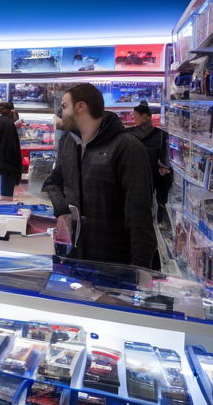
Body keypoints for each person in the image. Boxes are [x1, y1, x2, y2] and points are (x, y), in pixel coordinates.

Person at [42, 84, 156, 268]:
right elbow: (52, 182)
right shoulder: (68, 143)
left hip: (114, 262)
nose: (60, 113)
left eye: (64, 106)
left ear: (80, 106)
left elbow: (140, 215)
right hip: (74, 255)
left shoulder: (127, 147)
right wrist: (62, 210)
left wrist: (140, 271)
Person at [127, 101, 173, 223]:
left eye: (136, 115)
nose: (134, 117)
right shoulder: (129, 134)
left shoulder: (161, 135)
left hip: (156, 179)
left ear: (146, 116)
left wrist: (165, 169)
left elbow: (166, 159)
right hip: (135, 179)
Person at [0, 101, 23, 200]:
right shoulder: (8, 123)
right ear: (11, 111)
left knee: (1, 192)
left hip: (0, 162)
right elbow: (12, 146)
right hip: (9, 163)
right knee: (6, 196)